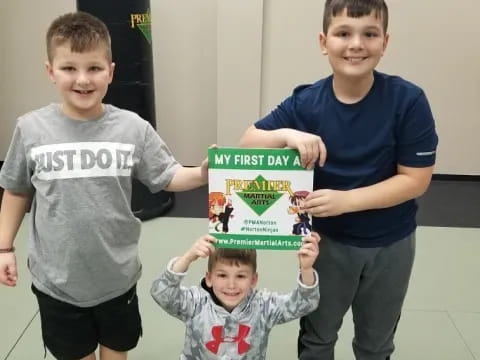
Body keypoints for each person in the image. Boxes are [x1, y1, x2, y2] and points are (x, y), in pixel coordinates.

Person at [0, 12, 209, 360]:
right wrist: (4, 247)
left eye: (94, 68)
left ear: (111, 71)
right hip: (57, 283)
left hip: (116, 277)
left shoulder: (132, 128)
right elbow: (16, 190)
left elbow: (168, 175)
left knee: (116, 353)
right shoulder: (30, 129)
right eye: (69, 68)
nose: (83, 79)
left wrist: (202, 174)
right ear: (51, 71)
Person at [239, 0, 439, 359]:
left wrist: (347, 200)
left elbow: (415, 181)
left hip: (390, 245)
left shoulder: (408, 101)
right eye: (343, 33)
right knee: (317, 337)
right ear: (323, 41)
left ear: (385, 42)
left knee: (376, 342)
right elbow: (247, 142)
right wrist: (287, 135)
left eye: (369, 34)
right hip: (326, 244)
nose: (356, 44)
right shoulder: (307, 102)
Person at [150, 233, 321, 359]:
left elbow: (306, 303)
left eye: (240, 276)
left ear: (253, 280)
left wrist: (306, 269)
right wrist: (188, 257)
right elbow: (161, 293)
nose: (231, 285)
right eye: (222, 275)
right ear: (209, 278)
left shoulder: (264, 306)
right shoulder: (195, 303)